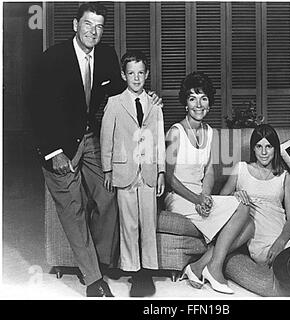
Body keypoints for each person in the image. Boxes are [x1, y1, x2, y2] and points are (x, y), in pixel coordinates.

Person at [30, 3, 162, 297]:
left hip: (89, 138)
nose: (94, 31)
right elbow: (35, 108)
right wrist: (53, 152)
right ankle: (93, 279)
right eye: (88, 24)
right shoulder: (52, 58)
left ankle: (99, 261)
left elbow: (119, 91)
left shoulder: (105, 55)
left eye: (100, 26)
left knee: (109, 195)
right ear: (75, 25)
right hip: (57, 145)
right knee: (73, 208)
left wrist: (145, 97)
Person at [165, 72, 254, 294]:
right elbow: (169, 178)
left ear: (209, 103)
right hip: (179, 197)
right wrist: (196, 199)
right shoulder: (175, 133)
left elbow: (210, 173)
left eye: (203, 98)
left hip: (200, 195)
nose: (198, 104)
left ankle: (201, 266)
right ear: (185, 103)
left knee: (249, 224)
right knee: (242, 214)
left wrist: (205, 196)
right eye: (192, 98)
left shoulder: (210, 132)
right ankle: (213, 269)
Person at [100, 50, 166, 297]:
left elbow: (159, 140)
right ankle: (132, 270)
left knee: (147, 223)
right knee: (129, 224)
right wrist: (107, 168)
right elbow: (106, 138)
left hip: (148, 171)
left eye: (140, 73)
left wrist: (161, 171)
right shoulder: (115, 103)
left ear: (147, 74)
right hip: (124, 170)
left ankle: (147, 273)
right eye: (131, 73)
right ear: (123, 75)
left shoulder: (155, 106)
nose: (136, 78)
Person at [220, 123, 290, 266]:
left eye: (268, 146)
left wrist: (281, 241)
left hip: (287, 237)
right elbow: (221, 200)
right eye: (259, 146)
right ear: (253, 148)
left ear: (275, 149)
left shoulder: (283, 176)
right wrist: (234, 196)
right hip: (262, 246)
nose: (263, 152)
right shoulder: (241, 169)